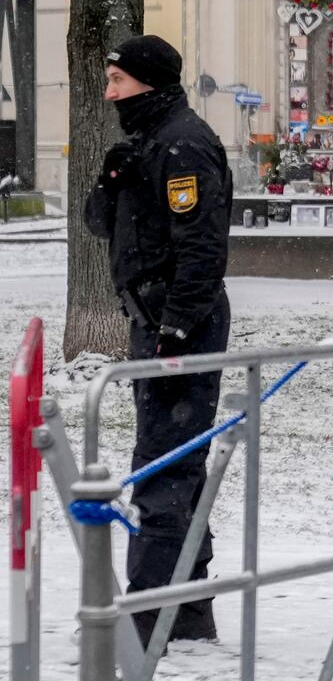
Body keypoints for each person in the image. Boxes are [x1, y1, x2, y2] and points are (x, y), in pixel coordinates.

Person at [84, 35, 232, 647]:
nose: (108, 91)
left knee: (165, 465)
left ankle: (148, 615)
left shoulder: (183, 142)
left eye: (117, 80)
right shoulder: (145, 140)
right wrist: (110, 180)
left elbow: (201, 249)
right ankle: (189, 608)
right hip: (153, 317)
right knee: (177, 460)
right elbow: (99, 226)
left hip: (180, 322)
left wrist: (175, 330)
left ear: (147, 82)